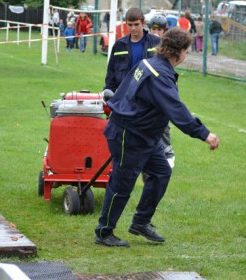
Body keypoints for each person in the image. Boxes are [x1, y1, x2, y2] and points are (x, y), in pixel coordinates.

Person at [94, 27, 220, 247]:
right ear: (178, 51)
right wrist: (204, 133)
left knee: (161, 172)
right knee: (122, 185)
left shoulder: (150, 63)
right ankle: (104, 232)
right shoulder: (158, 73)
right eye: (186, 51)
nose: (186, 55)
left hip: (145, 136)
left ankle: (141, 222)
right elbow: (176, 109)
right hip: (128, 135)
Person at [104, 7, 161, 92]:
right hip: (124, 94)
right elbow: (111, 74)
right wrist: (108, 93)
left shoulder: (156, 43)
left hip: (148, 94)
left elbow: (164, 70)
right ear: (125, 23)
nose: (133, 28)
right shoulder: (119, 45)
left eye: (136, 24)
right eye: (130, 25)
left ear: (143, 23)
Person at [147, 14, 175, 168]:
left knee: (163, 125)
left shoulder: (167, 49)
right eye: (153, 29)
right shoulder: (145, 44)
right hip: (145, 92)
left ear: (165, 31)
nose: (156, 33)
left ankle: (168, 156)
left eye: (159, 30)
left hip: (161, 92)